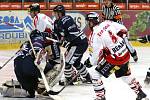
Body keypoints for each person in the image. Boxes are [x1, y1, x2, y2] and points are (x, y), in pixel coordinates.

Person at [84, 12, 148, 100]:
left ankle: (100, 97)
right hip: (125, 53)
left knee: (95, 74)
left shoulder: (94, 35)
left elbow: (95, 57)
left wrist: (90, 62)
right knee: (125, 76)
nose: (88, 24)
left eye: (88, 22)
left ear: (91, 22)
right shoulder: (107, 23)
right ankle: (141, 94)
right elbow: (123, 29)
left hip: (115, 59)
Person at [52, 5, 92, 85]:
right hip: (75, 44)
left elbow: (73, 33)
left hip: (79, 44)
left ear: (60, 13)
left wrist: (65, 42)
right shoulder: (56, 22)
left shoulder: (67, 19)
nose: (54, 14)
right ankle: (88, 77)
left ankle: (69, 79)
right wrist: (59, 40)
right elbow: (58, 35)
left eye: (55, 13)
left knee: (67, 63)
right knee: (76, 63)